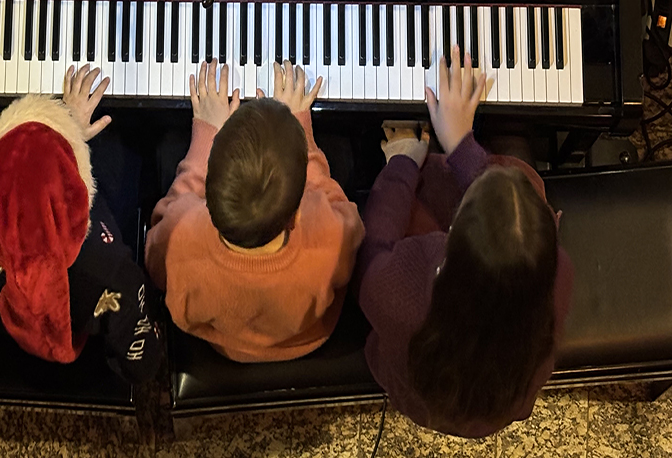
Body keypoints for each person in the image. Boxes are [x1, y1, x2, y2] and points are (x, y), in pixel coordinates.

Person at [354, 45, 574, 438]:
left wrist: (403, 159)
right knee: (517, 163)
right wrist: (461, 145)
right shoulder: (557, 275)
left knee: (420, 185)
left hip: (418, 392)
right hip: (494, 406)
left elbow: (374, 245)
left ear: (451, 237)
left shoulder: (397, 293)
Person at [0, 64, 161, 383]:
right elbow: (142, 363)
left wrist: (61, 127)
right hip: (85, 314)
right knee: (126, 144)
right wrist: (68, 125)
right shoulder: (111, 271)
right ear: (75, 197)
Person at [145, 58, 365, 362]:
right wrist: (301, 129)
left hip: (225, 342)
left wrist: (207, 134)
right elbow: (342, 209)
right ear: (296, 215)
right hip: (304, 336)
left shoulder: (179, 239)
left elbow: (156, 249)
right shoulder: (330, 236)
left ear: (209, 191)